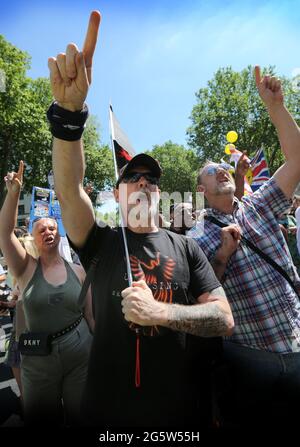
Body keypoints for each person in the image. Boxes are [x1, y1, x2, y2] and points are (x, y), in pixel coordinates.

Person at [47, 10, 234, 427]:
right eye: (133, 177)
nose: (144, 183)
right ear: (117, 193)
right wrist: (69, 119)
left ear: (160, 192)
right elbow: (70, 190)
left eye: (152, 179)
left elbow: (223, 318)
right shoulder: (101, 243)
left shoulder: (186, 247)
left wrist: (161, 313)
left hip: (182, 418)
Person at [189, 67, 300, 428]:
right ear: (202, 190)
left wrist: (276, 108)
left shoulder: (261, 204)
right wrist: (221, 256)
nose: (223, 170)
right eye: (212, 171)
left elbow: (297, 161)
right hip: (249, 357)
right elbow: (200, 302)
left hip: (296, 339)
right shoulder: (196, 238)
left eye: (224, 166)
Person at [0, 161, 94, 426]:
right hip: (38, 363)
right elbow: (4, 234)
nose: (48, 232)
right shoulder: (25, 268)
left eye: (52, 228)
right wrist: (13, 193)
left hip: (80, 356)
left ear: (59, 232)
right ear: (33, 237)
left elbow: (90, 315)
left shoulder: (78, 271)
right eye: (41, 229)